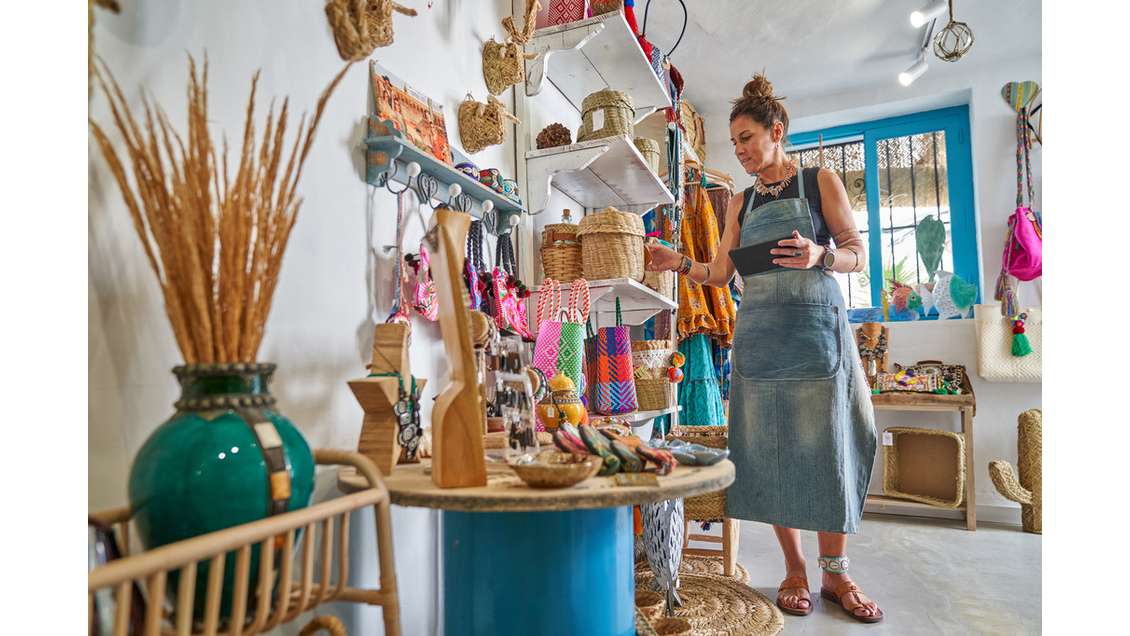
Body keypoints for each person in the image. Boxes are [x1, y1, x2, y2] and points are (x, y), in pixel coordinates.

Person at [645, 74, 882, 623]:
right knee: (772, 448)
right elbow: (719, 273)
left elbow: (857, 253)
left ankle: (836, 572)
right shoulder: (740, 202)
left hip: (817, 336)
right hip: (761, 336)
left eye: (747, 138)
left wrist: (821, 255)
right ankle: (794, 569)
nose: (741, 151)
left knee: (828, 446)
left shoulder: (819, 181)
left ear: (777, 131)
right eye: (734, 143)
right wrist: (677, 262)